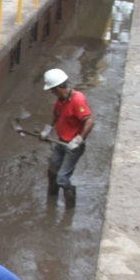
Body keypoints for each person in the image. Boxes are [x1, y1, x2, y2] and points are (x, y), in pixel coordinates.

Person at [40, 68, 94, 207]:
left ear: (58, 88)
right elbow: (56, 115)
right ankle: (51, 201)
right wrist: (48, 130)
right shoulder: (60, 100)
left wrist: (78, 140)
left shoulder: (78, 100)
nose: (51, 93)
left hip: (73, 147)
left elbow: (90, 121)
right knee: (52, 172)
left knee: (62, 179)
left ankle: (69, 208)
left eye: (52, 90)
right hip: (61, 142)